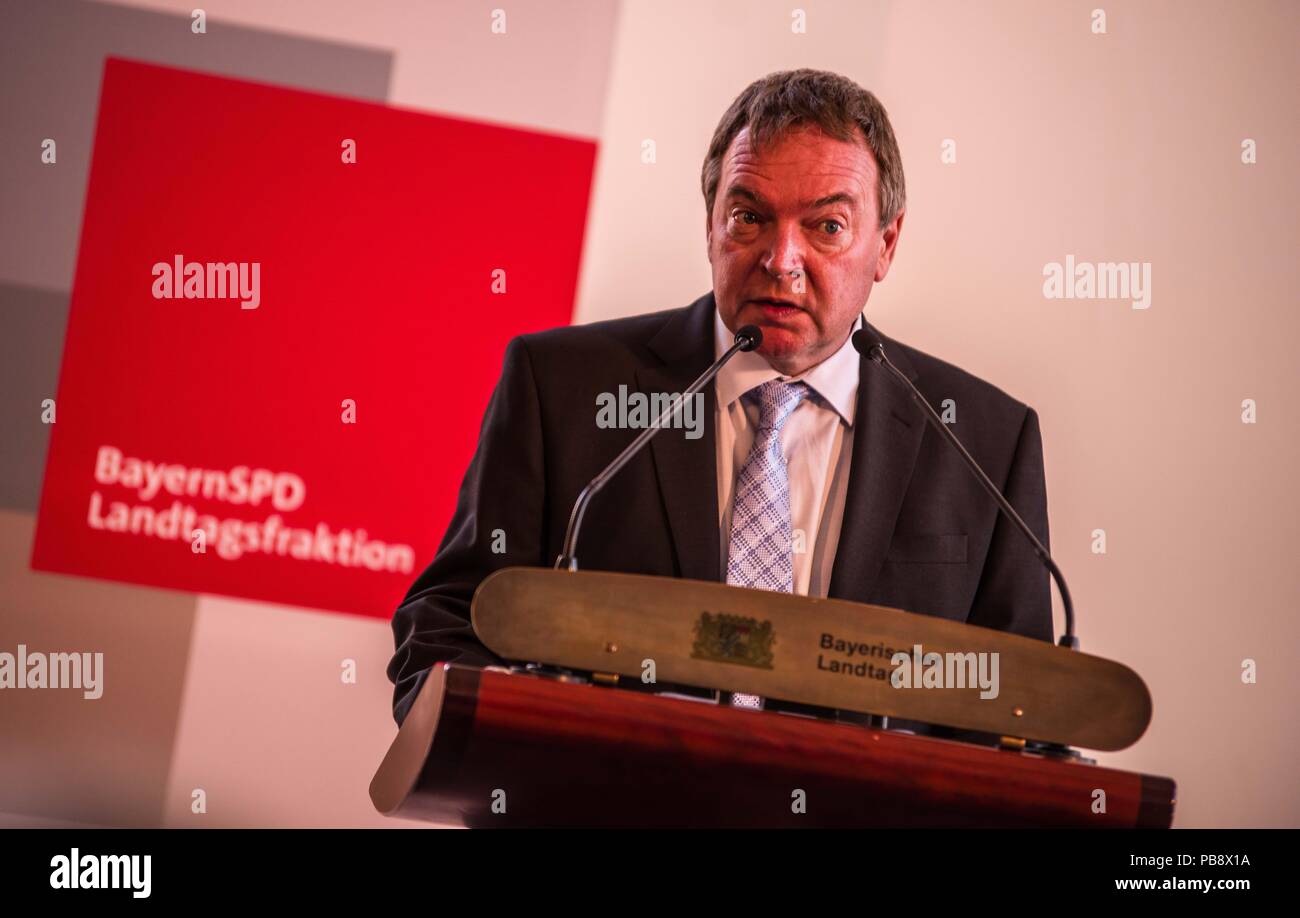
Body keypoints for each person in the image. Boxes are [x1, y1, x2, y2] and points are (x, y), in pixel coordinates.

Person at [387, 69, 1052, 740]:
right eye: (749, 217)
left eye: (826, 226)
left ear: (885, 244)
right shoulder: (563, 387)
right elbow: (453, 621)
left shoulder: (987, 445)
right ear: (710, 223)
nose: (781, 259)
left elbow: (1025, 708)